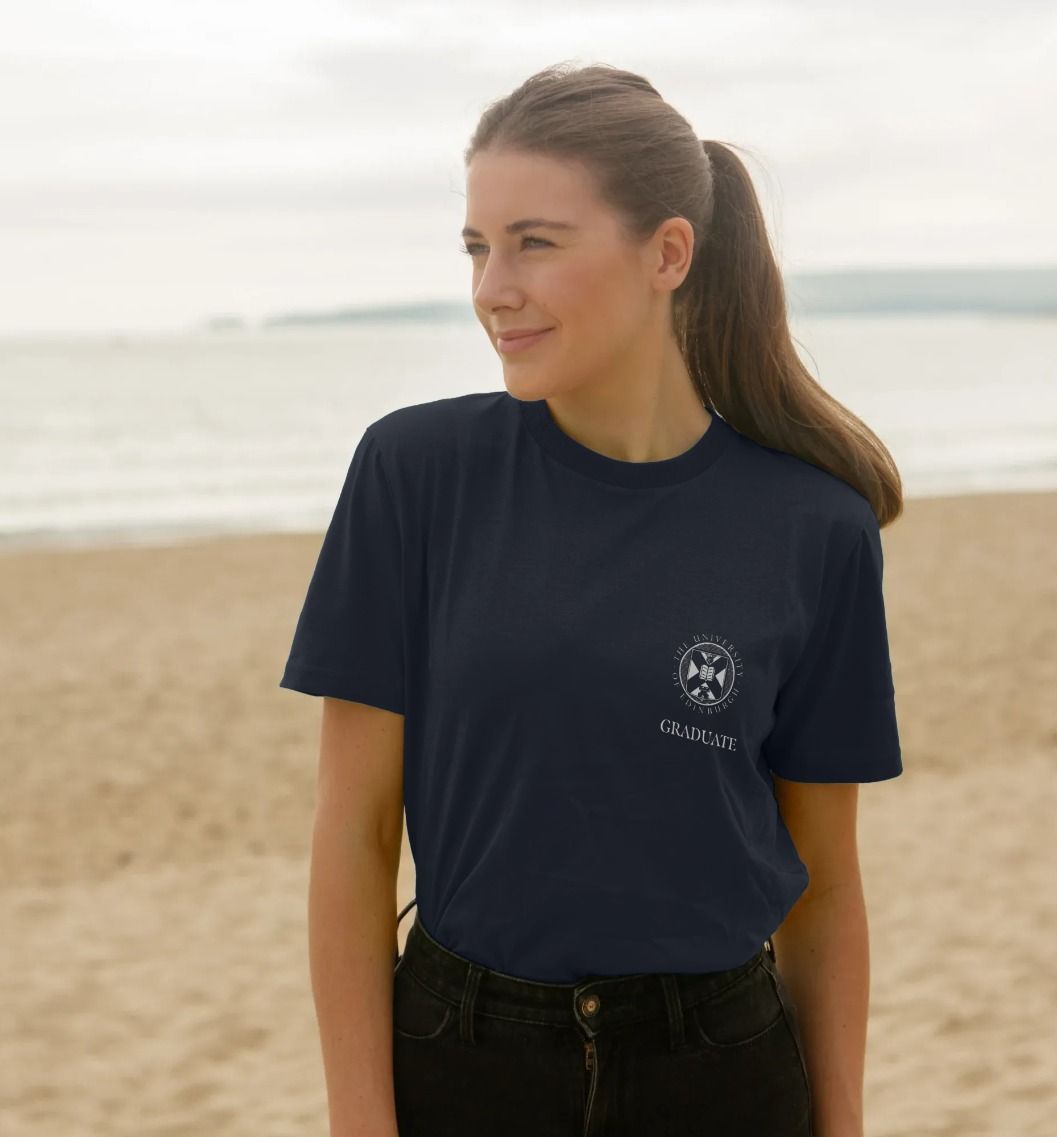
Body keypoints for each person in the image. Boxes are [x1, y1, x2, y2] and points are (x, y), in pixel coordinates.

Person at [280, 61, 904, 1137]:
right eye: (478, 248)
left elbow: (826, 887)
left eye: (536, 241)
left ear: (667, 252)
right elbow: (352, 835)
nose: (492, 288)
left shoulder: (815, 527)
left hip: (723, 1073)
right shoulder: (415, 474)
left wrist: (839, 1126)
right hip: (462, 1063)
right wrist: (359, 1122)